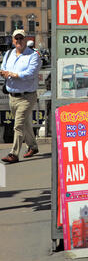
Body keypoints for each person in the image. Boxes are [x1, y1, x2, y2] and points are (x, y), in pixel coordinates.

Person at [0, 30, 41, 164]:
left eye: (21, 38)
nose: (19, 41)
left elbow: (30, 73)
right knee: (25, 124)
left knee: (18, 125)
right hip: (13, 96)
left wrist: (13, 74)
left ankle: (14, 153)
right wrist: (4, 73)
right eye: (16, 39)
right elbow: (3, 67)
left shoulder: (33, 55)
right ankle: (33, 147)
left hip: (27, 97)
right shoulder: (8, 54)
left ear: (25, 40)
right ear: (13, 40)